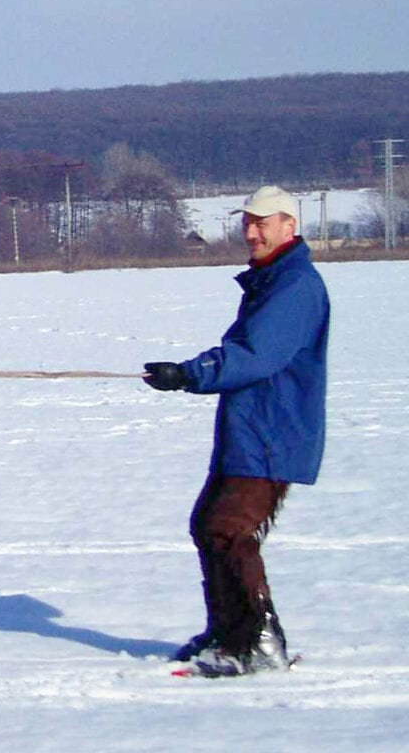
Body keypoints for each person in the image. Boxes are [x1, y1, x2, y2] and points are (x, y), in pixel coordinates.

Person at [141, 184, 329, 676]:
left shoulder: (295, 287)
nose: (251, 231)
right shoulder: (272, 282)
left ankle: (259, 643)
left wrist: (189, 373)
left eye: (263, 222)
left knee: (228, 528)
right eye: (247, 221)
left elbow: (257, 356)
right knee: (210, 523)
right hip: (249, 429)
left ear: (289, 226)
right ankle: (227, 630)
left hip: (273, 432)